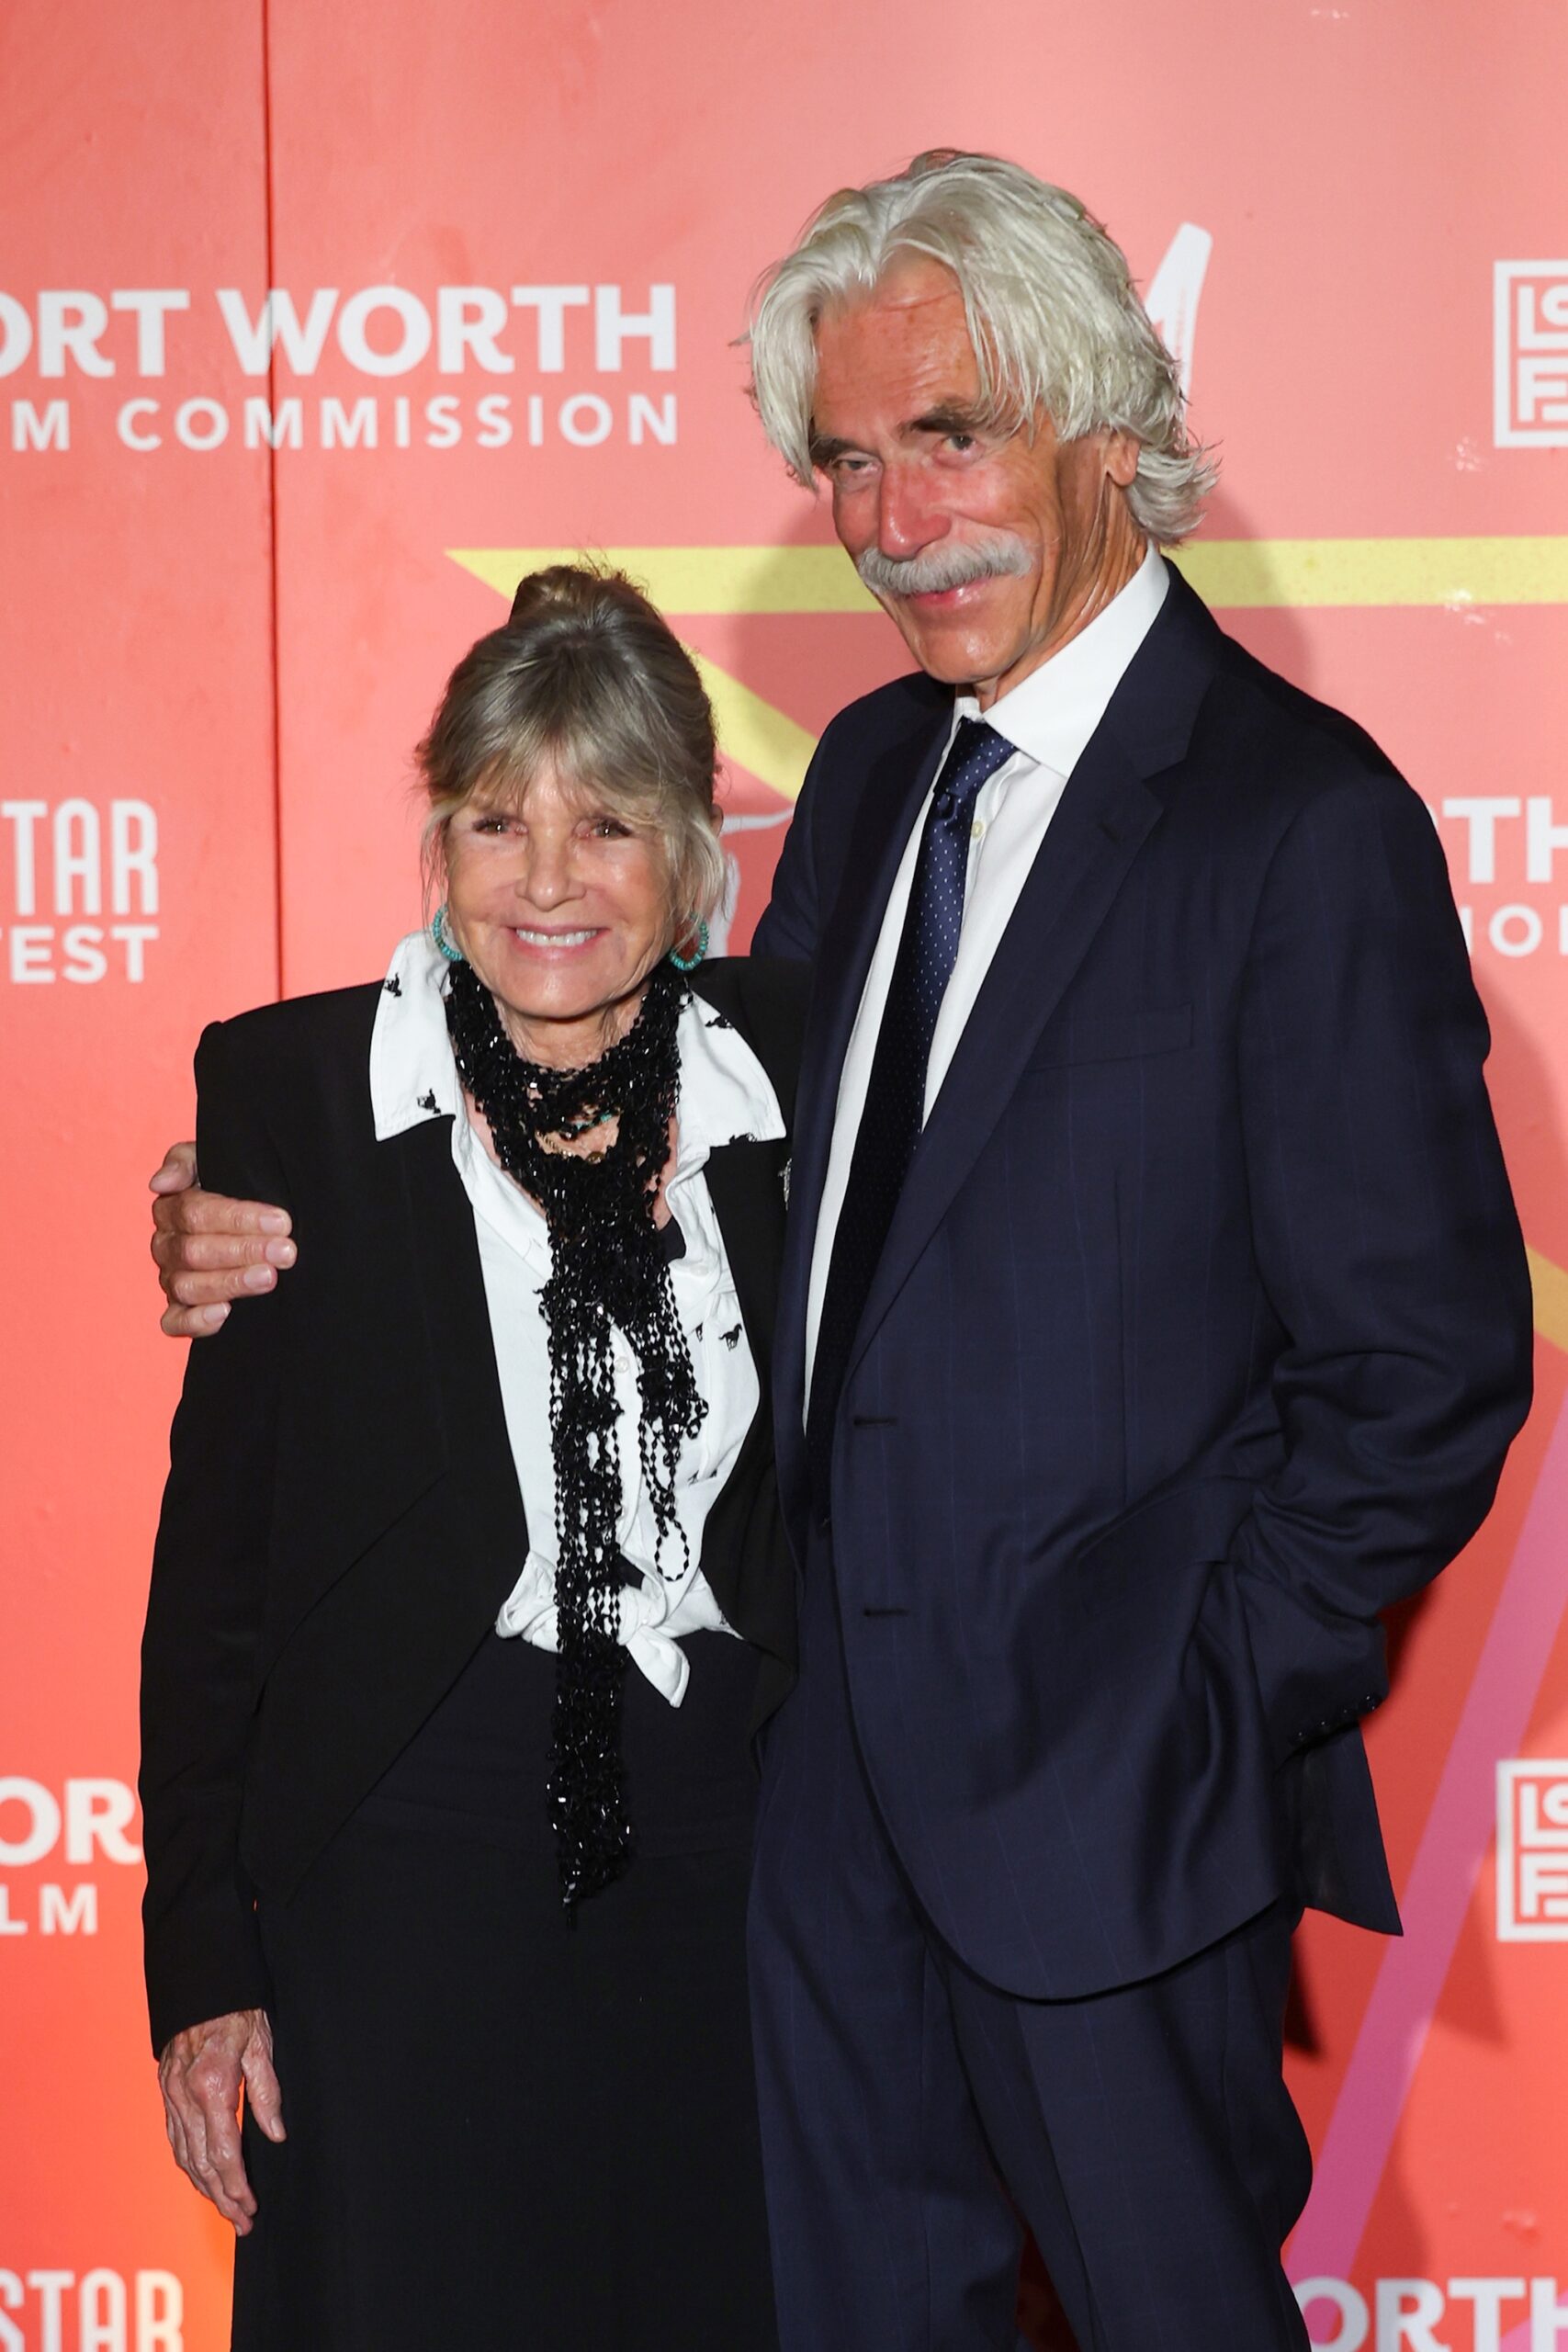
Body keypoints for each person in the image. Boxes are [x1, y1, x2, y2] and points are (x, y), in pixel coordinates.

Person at [151, 154, 1534, 2352]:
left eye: (947, 440)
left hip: (1106, 1837)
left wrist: (1177, 1703)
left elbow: (1425, 1365)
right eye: (845, 464)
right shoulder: (882, 775)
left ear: (1100, 421)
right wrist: (239, 1188)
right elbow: (614, 1072)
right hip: (807, 1823)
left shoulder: (1296, 820)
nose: (893, 526)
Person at [141, 563, 803, 2352]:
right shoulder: (297, 1100)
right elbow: (216, 1580)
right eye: (493, 817)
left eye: (605, 820)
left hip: (733, 1848)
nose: (545, 876)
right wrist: (201, 1960)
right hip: (399, 1858)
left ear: (686, 842)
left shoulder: (794, 1083)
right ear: (437, 840)